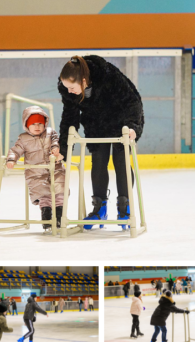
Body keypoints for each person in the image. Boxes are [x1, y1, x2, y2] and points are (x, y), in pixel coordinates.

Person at [58, 55, 144, 230]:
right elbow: (69, 118)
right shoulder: (68, 90)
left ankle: (124, 208)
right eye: (66, 87)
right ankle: (99, 209)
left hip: (122, 122)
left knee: (121, 161)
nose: (69, 91)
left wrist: (133, 126)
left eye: (72, 87)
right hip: (96, 124)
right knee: (97, 161)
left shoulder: (108, 75)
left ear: (83, 80)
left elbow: (132, 101)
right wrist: (64, 148)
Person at [6, 106, 65, 230]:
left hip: (55, 169)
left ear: (45, 124)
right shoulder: (23, 139)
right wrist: (11, 159)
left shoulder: (50, 133)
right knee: (43, 193)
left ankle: (60, 217)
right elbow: (15, 150)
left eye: (40, 123)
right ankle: (47, 217)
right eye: (33, 124)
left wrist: (56, 148)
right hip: (35, 173)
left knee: (60, 191)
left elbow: (55, 140)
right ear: (27, 125)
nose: (37, 126)